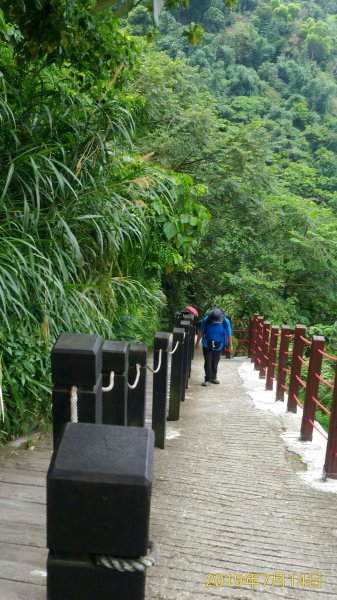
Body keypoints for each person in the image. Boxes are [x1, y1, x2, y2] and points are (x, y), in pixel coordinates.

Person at [195, 308, 233, 386]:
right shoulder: (206, 320)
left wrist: (230, 345)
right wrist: (197, 343)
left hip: (219, 344)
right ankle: (207, 379)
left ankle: (213, 377)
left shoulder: (225, 321)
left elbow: (229, 334)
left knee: (215, 361)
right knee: (208, 361)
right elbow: (201, 331)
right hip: (207, 343)